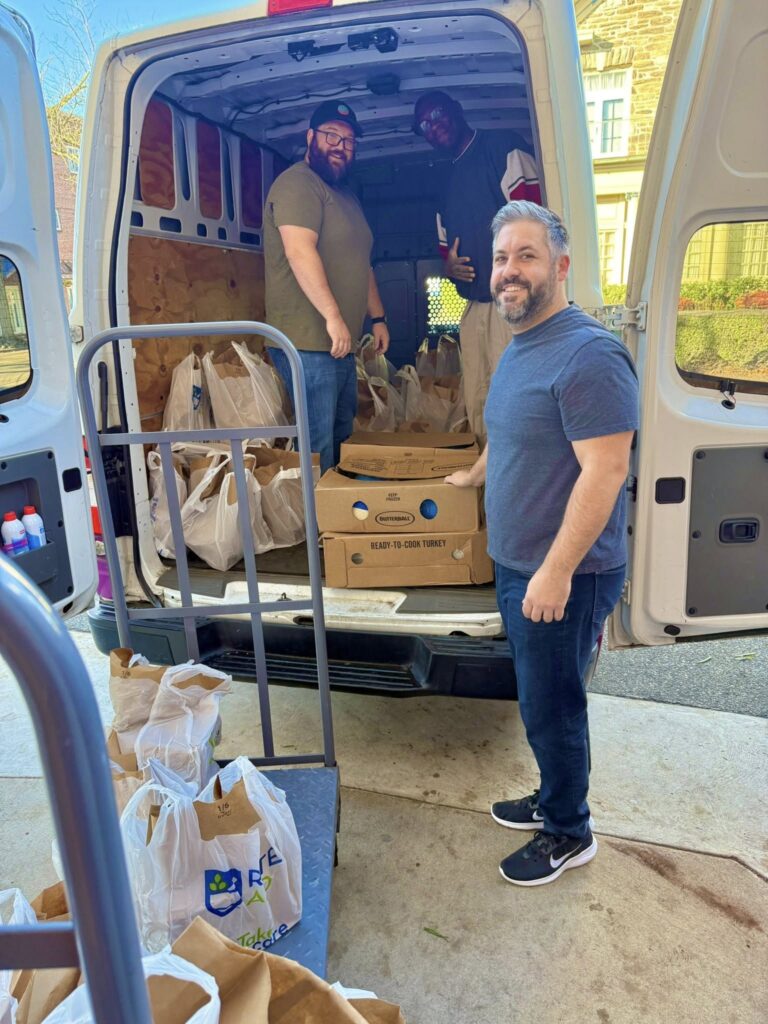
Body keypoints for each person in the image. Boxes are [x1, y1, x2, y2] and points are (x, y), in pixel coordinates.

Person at [446, 201, 639, 886]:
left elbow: (606, 470)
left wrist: (555, 573)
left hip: (565, 573)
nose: (509, 270)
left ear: (560, 266)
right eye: (502, 258)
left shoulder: (589, 355)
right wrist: (474, 474)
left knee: (554, 707)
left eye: (526, 256)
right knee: (538, 699)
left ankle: (568, 831)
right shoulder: (525, 342)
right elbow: (514, 429)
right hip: (521, 563)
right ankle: (550, 796)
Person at [263, 100, 389, 472]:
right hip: (307, 343)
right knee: (317, 446)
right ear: (310, 137)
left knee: (340, 436)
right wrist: (334, 317)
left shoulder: (345, 194)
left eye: (348, 141)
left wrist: (378, 317)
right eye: (331, 135)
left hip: (338, 344)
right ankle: (315, 511)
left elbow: (361, 261)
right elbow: (299, 251)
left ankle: (336, 508)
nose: (340, 146)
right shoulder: (298, 184)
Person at [413, 90, 541, 440]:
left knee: (514, 396)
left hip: (514, 301)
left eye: (437, 114)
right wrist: (449, 267)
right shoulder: (445, 180)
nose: (433, 126)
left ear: (457, 109)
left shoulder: (502, 148)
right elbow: (445, 246)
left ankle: (517, 467)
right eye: (424, 124)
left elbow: (537, 221)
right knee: (478, 396)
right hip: (473, 305)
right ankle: (486, 468)